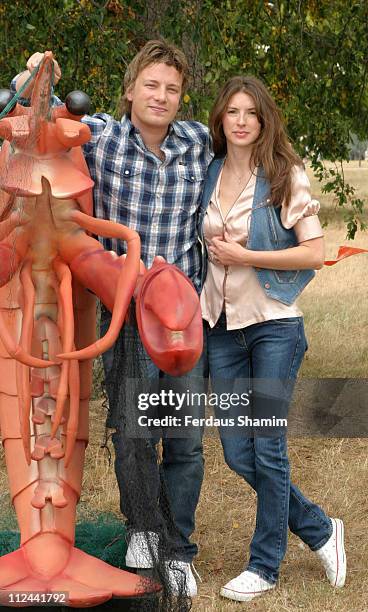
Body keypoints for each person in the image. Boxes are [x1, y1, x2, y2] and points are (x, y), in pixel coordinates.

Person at [12, 40, 212, 597]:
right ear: (130, 91)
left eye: (172, 89)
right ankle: (144, 531)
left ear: (181, 98)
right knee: (131, 434)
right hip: (125, 314)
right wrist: (34, 74)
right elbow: (45, 119)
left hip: (182, 315)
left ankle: (180, 548)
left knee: (186, 439)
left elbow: (250, 143)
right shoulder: (101, 136)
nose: (161, 96)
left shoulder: (198, 143)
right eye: (151, 85)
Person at [198, 75, 346, 602]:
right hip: (221, 328)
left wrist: (247, 257)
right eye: (232, 112)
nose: (240, 121)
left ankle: (264, 566)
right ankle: (321, 529)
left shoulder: (285, 177)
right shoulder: (209, 172)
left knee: (269, 450)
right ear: (221, 118)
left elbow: (314, 253)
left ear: (264, 120)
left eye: (250, 113)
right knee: (239, 455)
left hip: (274, 327)